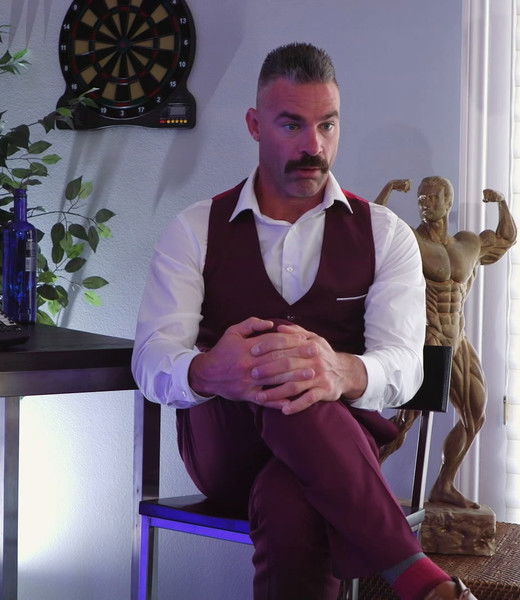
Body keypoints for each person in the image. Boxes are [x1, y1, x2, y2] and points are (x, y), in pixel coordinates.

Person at [132, 43, 478, 600]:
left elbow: (405, 365)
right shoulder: (194, 230)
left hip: (338, 456)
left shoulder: (384, 234)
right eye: (292, 125)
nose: (313, 146)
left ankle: (420, 582)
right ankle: (419, 579)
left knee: (293, 499)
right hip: (227, 451)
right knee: (284, 369)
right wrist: (209, 370)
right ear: (255, 124)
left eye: (327, 126)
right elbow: (151, 359)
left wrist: (338, 370)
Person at [376, 176, 517, 508]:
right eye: (421, 198)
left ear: (448, 202)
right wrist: (388, 190)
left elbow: (505, 238)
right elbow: (373, 227)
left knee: (475, 414)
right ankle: (364, 481)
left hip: (458, 339)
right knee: (405, 421)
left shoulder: (468, 243)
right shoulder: (411, 240)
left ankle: (444, 485)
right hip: (428, 338)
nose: (426, 202)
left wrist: (501, 204)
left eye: (433, 197)